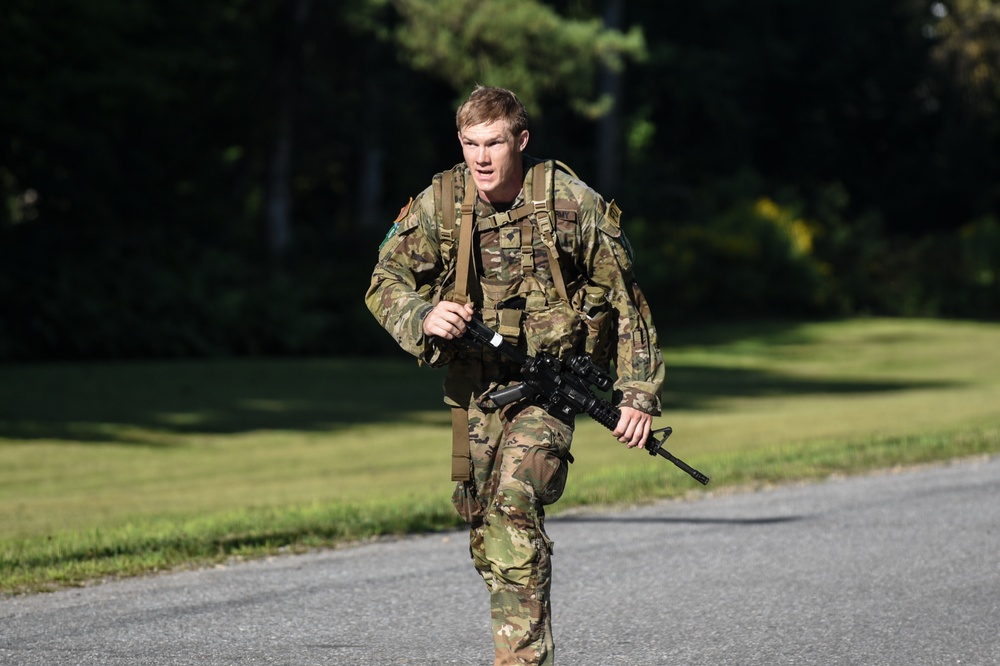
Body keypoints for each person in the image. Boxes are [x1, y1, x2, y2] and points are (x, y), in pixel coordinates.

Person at [365, 86, 664, 666]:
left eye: (494, 143)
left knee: (512, 505)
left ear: (520, 141)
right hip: (477, 391)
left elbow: (629, 304)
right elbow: (384, 281)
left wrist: (636, 396)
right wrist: (424, 314)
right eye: (471, 143)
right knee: (484, 532)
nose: (481, 157)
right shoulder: (442, 203)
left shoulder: (569, 203)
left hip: (548, 391)